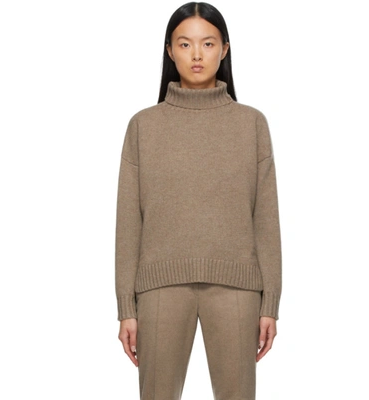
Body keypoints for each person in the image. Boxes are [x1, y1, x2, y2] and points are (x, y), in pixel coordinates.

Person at [115, 2, 282, 399]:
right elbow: (128, 221)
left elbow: (265, 218)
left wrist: (270, 303)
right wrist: (126, 307)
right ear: (169, 51)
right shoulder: (143, 126)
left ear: (224, 49)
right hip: (159, 286)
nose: (196, 54)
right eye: (184, 43)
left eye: (207, 43)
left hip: (237, 286)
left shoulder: (251, 124)